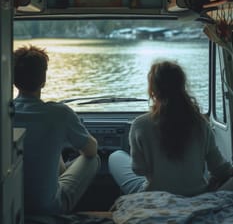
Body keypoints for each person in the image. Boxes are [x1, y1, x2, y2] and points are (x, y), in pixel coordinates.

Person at [108, 60, 233, 196]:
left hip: (153, 196)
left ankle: (133, 203)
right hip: (196, 195)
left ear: (153, 90)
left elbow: (139, 170)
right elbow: (220, 169)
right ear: (182, 86)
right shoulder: (200, 123)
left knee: (115, 156)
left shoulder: (140, 124)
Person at [13, 45, 100, 215]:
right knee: (93, 159)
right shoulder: (60, 113)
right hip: (49, 208)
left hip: (14, 206)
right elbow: (91, 150)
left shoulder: (5, 114)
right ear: (43, 81)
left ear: (14, 80)